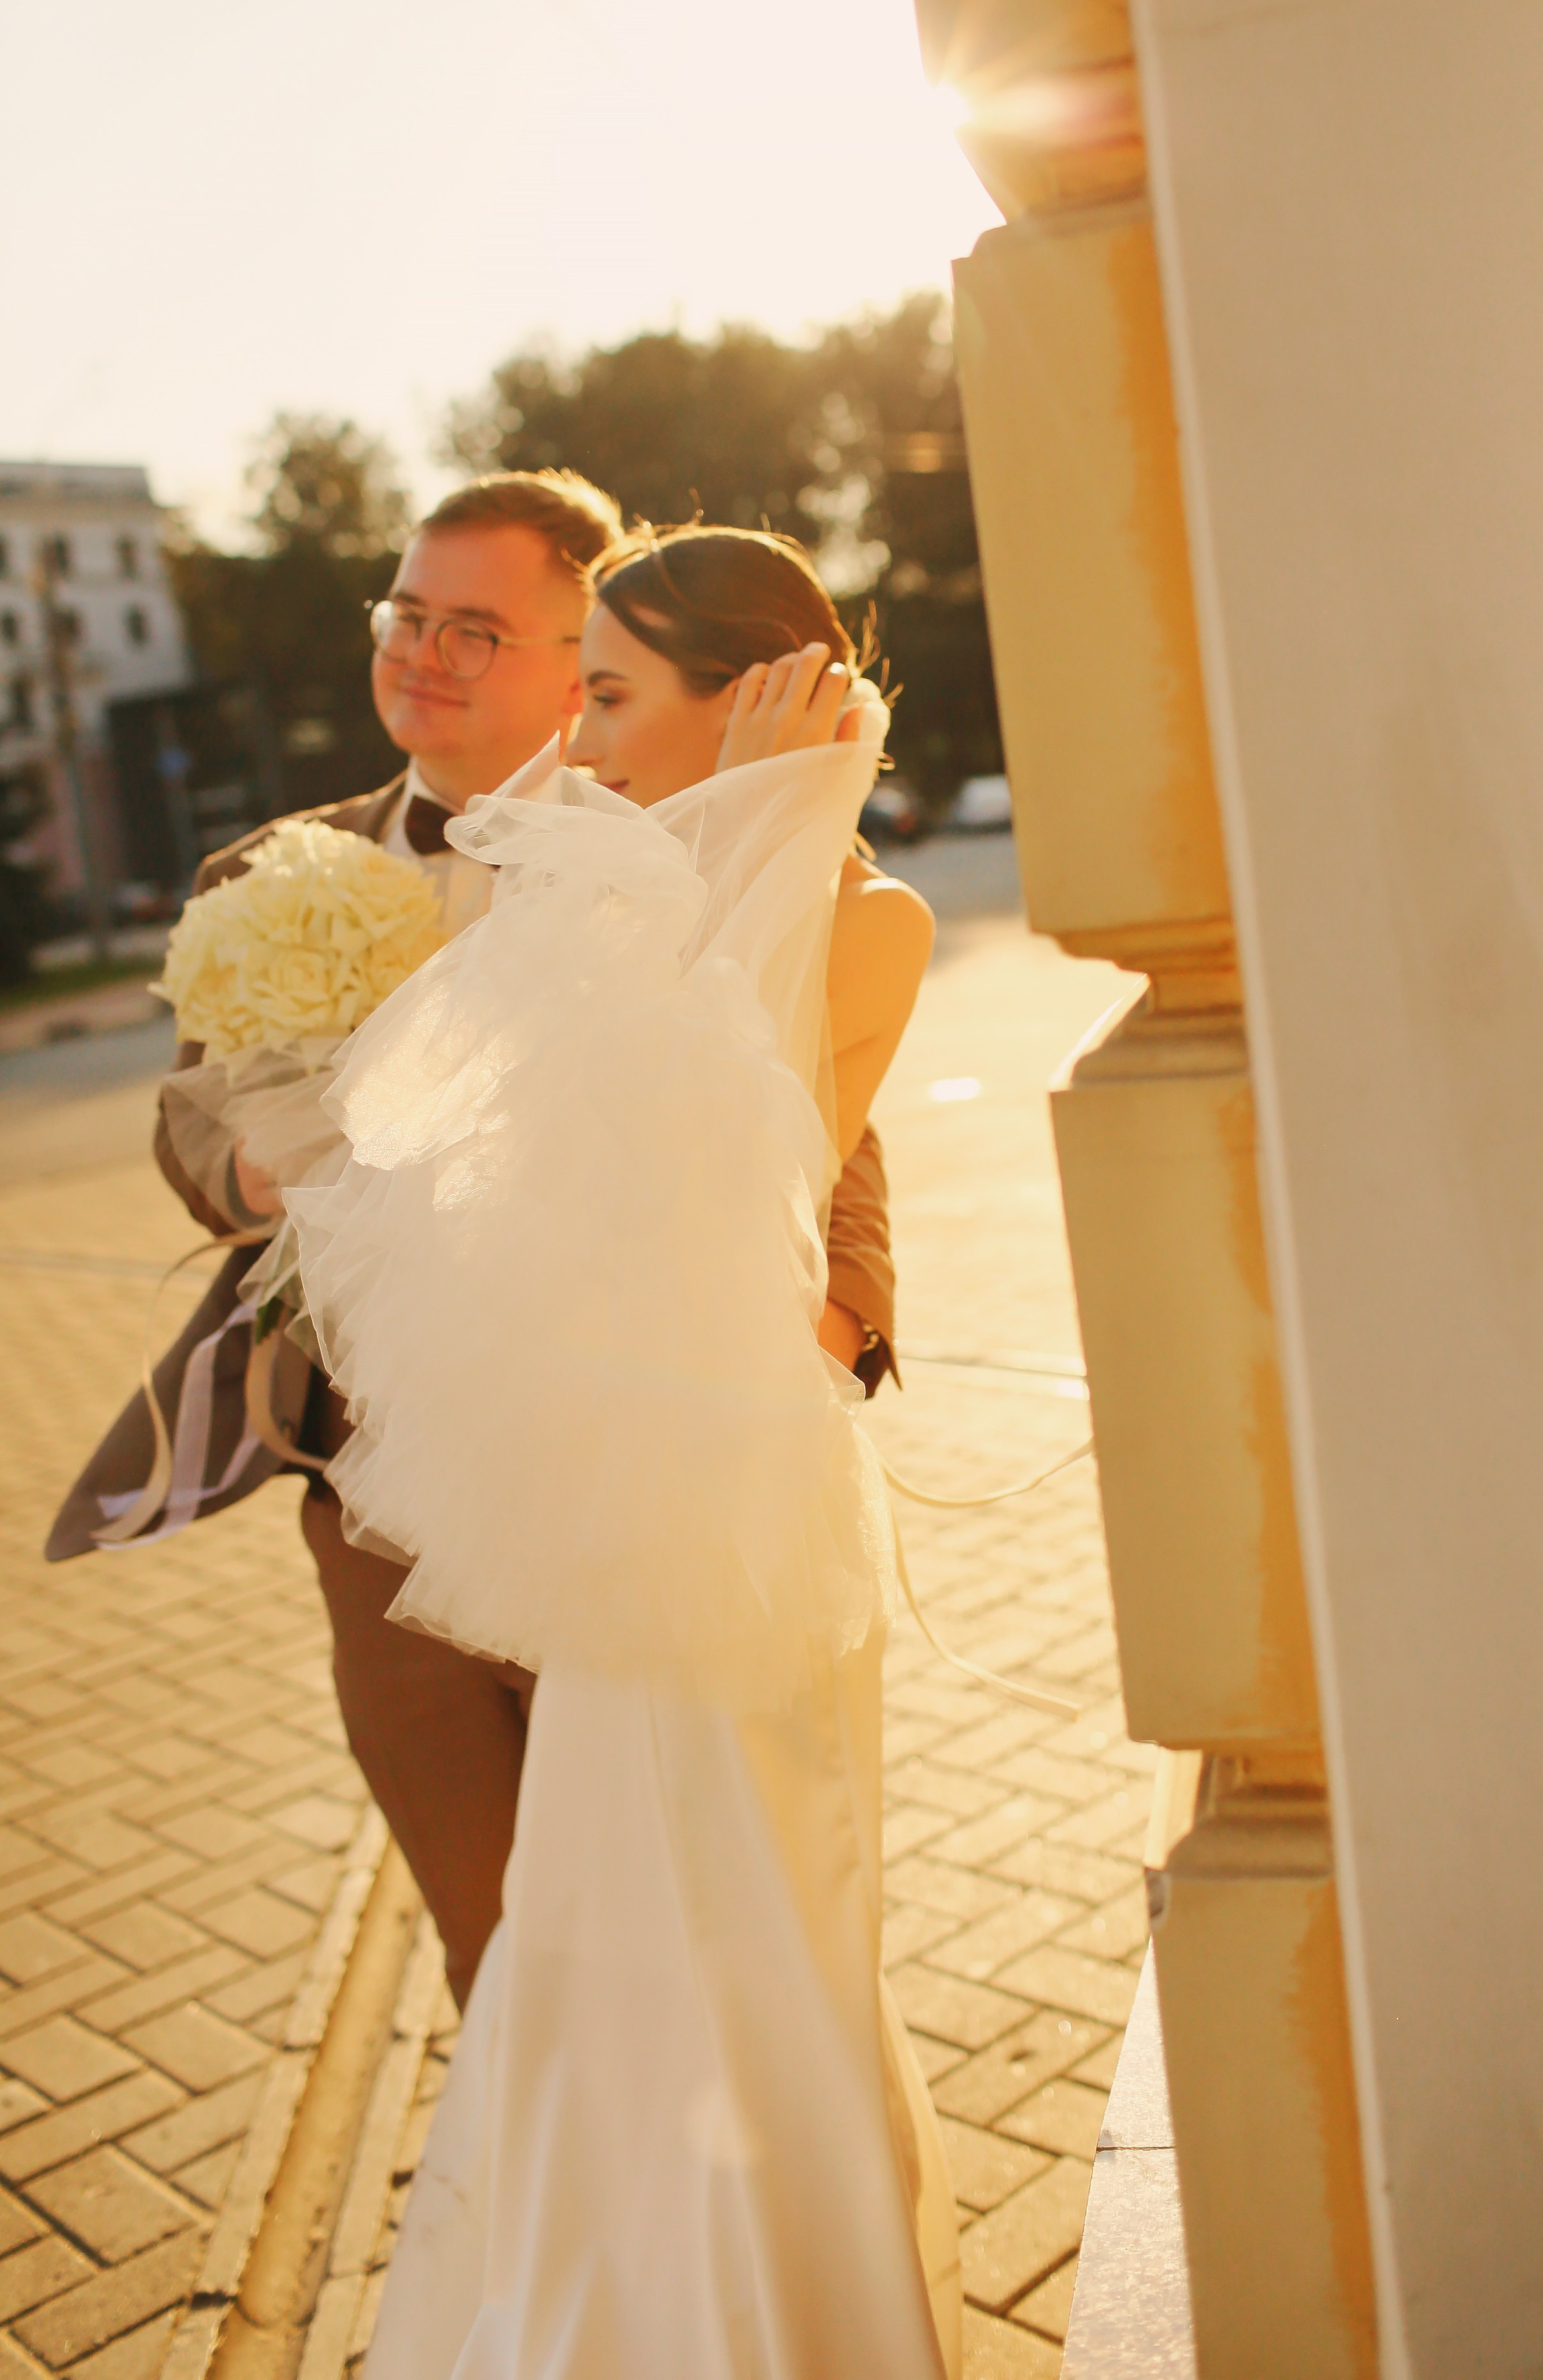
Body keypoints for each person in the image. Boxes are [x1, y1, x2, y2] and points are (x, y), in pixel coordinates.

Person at [49, 475, 904, 2016]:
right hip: (371, 1495)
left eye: (477, 627)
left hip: (638, 1476)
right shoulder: (267, 875)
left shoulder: (668, 847)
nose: (422, 653)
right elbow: (188, 1112)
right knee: (494, 1951)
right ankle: (533, 2234)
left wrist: (838, 1318)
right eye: (405, 614)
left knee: (687, 1936)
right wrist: (249, 1164)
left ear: (582, 647)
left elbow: (813, 1105)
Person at [290, 526, 959, 2377]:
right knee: (609, 1931)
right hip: (614, 1511)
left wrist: (747, 836)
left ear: (740, 699)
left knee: (767, 1915)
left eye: (606, 693)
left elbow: (739, 1179)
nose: (572, 744)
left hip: (740, 1496)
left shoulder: (868, 915)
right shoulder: (591, 892)